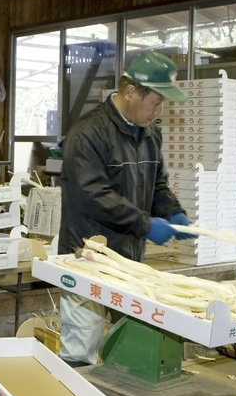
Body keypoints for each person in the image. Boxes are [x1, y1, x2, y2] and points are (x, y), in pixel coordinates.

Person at [57, 51, 194, 366]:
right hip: (87, 255)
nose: (158, 111)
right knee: (83, 344)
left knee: (128, 341)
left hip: (128, 257)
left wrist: (172, 212)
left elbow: (157, 184)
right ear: (131, 91)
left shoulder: (150, 133)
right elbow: (92, 194)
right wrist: (145, 225)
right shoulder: (88, 132)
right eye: (155, 102)